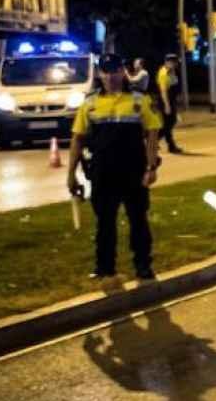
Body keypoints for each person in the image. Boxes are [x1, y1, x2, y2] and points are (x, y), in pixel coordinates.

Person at [67, 55, 163, 280]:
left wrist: (151, 168)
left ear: (124, 72)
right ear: (100, 74)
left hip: (133, 171)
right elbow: (77, 139)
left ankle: (143, 266)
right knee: (104, 223)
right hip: (102, 173)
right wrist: (71, 174)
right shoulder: (89, 103)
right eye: (106, 71)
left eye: (115, 71)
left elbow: (152, 133)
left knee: (138, 220)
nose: (111, 76)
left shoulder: (139, 100)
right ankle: (105, 268)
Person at [155, 55, 183, 153]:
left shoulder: (173, 72)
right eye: (172, 62)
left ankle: (171, 146)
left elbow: (175, 86)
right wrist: (167, 105)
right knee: (169, 123)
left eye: (175, 62)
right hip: (165, 101)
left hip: (171, 100)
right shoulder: (164, 73)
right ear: (167, 62)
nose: (174, 64)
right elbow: (163, 91)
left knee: (168, 123)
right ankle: (153, 140)